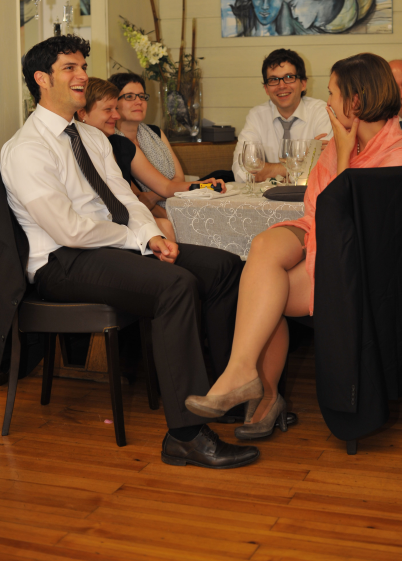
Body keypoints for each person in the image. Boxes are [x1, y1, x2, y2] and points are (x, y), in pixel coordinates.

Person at [1, 34, 259, 469]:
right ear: (41, 79)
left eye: (83, 66)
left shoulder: (92, 136)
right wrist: (137, 241)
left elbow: (126, 200)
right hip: (61, 262)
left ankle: (219, 396)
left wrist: (151, 236)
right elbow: (68, 229)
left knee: (223, 267)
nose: (82, 75)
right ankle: (185, 435)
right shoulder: (25, 149)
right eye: (70, 68)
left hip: (111, 246)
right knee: (175, 286)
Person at [186, 53, 402, 440]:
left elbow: (349, 224)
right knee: (264, 246)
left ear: (355, 101)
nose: (327, 102)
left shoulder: (401, 153)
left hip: (363, 267)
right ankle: (243, 374)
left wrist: (344, 154)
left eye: (332, 93)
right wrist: (342, 151)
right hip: (325, 236)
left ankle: (263, 394)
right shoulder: (340, 144)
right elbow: (317, 211)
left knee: (266, 294)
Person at [77, 77, 226, 241]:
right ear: (82, 113)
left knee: (167, 226)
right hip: (94, 225)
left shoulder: (122, 144)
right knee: (166, 226)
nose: (116, 115)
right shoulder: (74, 146)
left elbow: (166, 186)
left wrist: (202, 185)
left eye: (142, 96)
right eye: (108, 110)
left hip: (125, 217)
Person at [232, 49, 332, 182]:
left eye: (289, 77)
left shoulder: (322, 112)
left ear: (303, 84)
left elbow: (326, 169)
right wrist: (301, 162)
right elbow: (241, 172)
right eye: (274, 80)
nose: (281, 85)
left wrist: (266, 171)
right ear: (266, 88)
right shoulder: (256, 116)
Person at [108, 72, 188, 213]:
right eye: (129, 96)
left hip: (177, 201)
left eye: (142, 96)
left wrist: (154, 196)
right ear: (114, 102)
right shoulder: (110, 142)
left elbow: (179, 178)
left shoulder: (156, 132)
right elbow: (136, 199)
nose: (139, 102)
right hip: (143, 213)